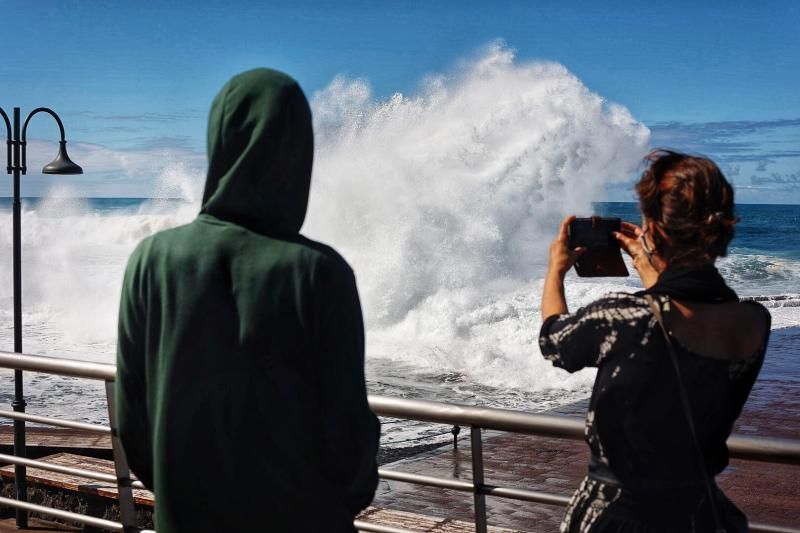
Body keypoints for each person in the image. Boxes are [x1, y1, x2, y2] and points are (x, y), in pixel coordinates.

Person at [116, 68, 380, 533]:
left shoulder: (150, 262)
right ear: (299, 153)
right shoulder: (320, 273)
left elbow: (134, 426)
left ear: (218, 141)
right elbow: (350, 445)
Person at [538, 150, 770, 532]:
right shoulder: (752, 321)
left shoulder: (623, 316)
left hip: (618, 515)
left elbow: (554, 341)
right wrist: (652, 269)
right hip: (701, 516)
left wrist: (555, 271)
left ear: (655, 230)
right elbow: (683, 317)